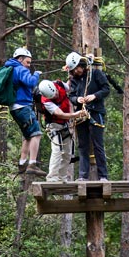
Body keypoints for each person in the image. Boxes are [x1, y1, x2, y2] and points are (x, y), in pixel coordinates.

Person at [65, 51, 110, 181]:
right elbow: (71, 95)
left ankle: (103, 176)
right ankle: (83, 176)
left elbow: (106, 89)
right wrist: (77, 99)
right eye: (73, 70)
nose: (75, 72)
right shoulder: (74, 80)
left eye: (76, 69)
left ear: (81, 65)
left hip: (96, 112)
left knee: (98, 144)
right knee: (83, 145)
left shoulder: (95, 74)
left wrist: (94, 96)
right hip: (81, 114)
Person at [5, 47, 45, 177]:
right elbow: (31, 82)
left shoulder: (11, 69)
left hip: (15, 108)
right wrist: (36, 74)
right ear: (20, 59)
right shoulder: (20, 69)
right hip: (23, 106)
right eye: (27, 62)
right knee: (36, 134)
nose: (28, 66)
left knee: (28, 136)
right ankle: (32, 164)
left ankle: (22, 163)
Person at [38, 79, 87, 183]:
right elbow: (60, 114)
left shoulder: (59, 84)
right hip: (54, 125)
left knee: (67, 153)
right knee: (57, 150)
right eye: (53, 96)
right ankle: (52, 177)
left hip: (65, 124)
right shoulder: (46, 101)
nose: (55, 96)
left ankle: (62, 177)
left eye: (55, 94)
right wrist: (75, 115)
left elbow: (68, 88)